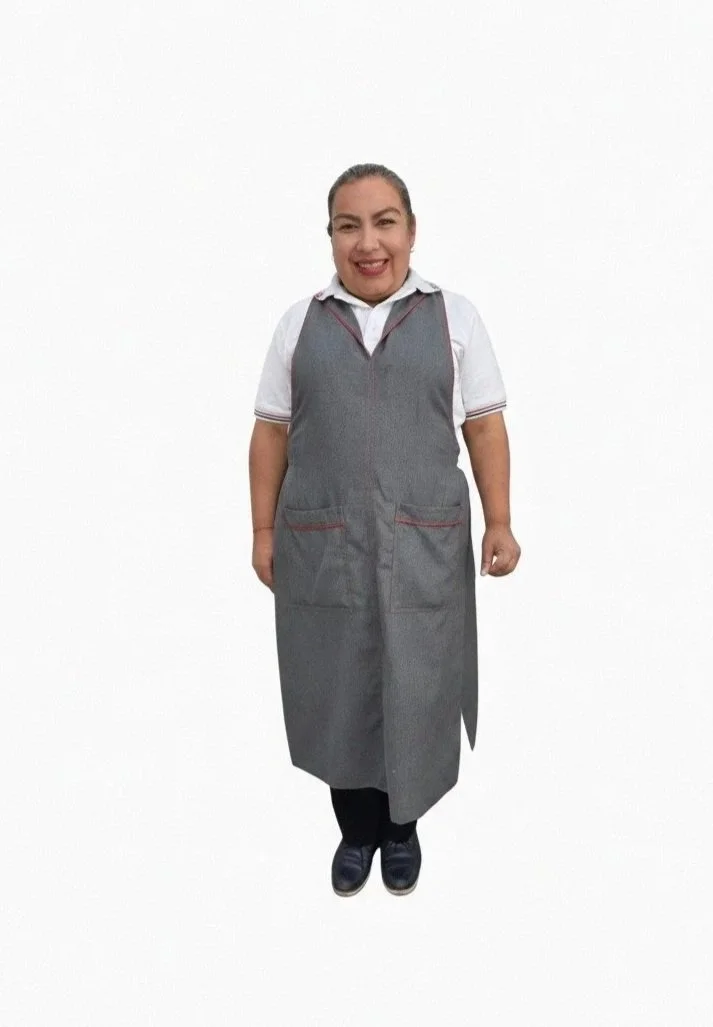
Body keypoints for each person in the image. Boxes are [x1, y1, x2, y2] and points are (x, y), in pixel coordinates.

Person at [249, 163, 520, 898]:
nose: (367, 242)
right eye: (348, 225)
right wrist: (263, 529)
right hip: (322, 543)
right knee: (334, 682)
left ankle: (402, 830)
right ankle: (355, 827)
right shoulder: (298, 322)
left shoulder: (452, 316)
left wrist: (499, 519)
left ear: (410, 228)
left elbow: (484, 424)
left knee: (420, 680)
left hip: (421, 542)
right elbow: (270, 433)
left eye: (383, 222)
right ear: (331, 236)